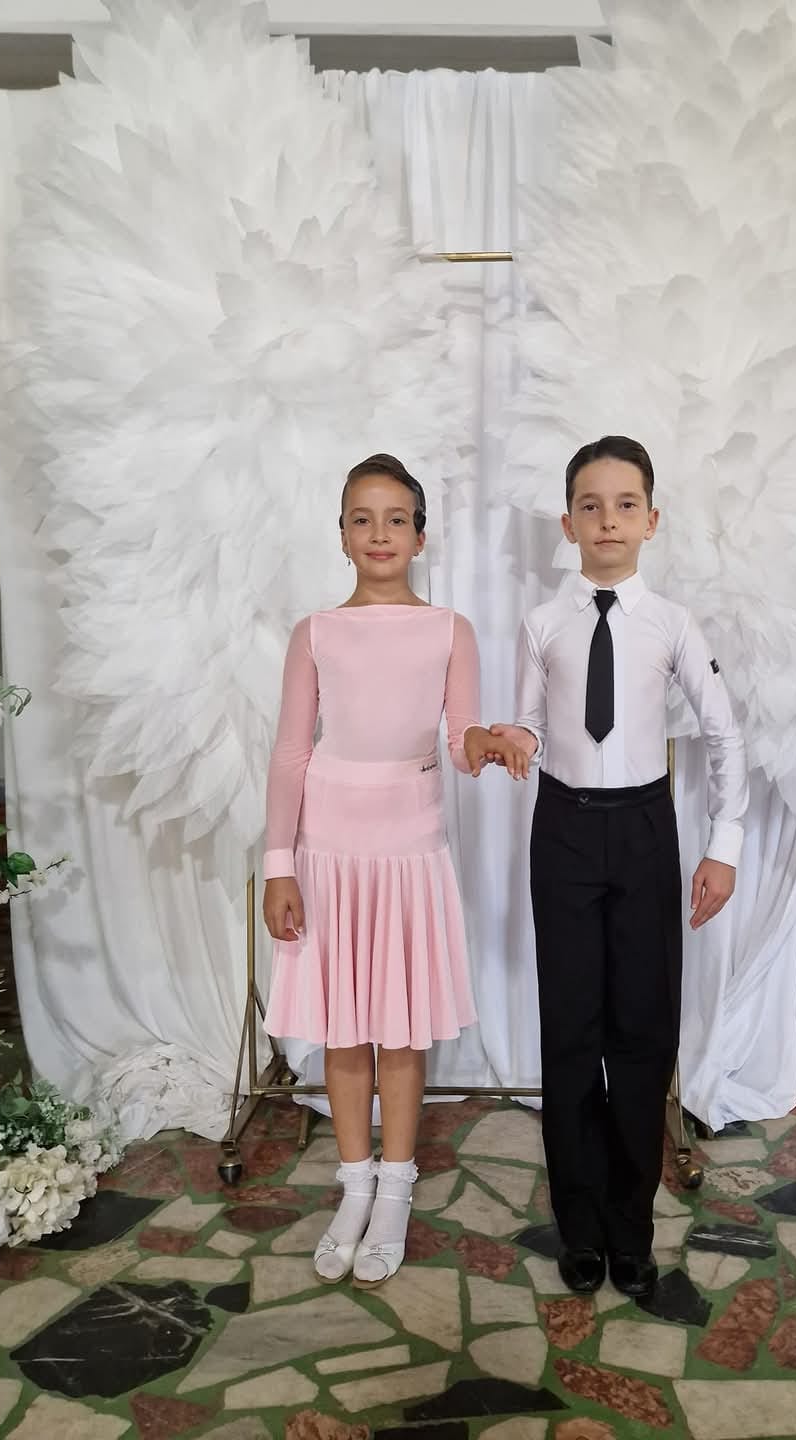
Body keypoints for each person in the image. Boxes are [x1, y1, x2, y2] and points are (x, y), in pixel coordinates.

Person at [490, 435, 749, 1298]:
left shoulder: (673, 624)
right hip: (563, 828)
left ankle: (631, 1227)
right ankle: (581, 1226)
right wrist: (511, 741)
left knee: (642, 1031)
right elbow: (532, 724)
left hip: (644, 830)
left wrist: (722, 846)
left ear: (652, 520)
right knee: (570, 1032)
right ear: (568, 524)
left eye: (625, 505)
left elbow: (723, 733)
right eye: (590, 506)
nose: (608, 520)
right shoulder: (542, 624)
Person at [262, 453, 528, 1289]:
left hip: (410, 853)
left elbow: (458, 737)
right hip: (329, 852)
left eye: (396, 519)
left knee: (400, 1029)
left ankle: (398, 1188)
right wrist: (278, 864)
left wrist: (484, 742)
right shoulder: (315, 633)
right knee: (344, 1028)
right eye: (362, 518)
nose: (379, 533)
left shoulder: (450, 630)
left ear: (420, 535)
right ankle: (354, 1186)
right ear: (342, 535)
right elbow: (292, 752)